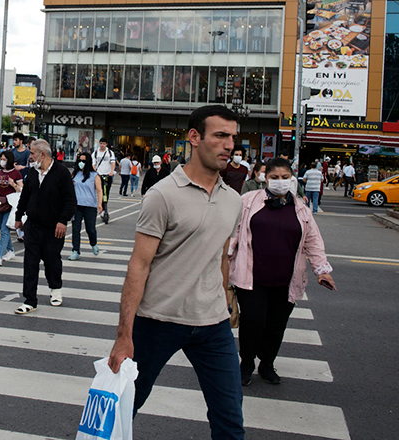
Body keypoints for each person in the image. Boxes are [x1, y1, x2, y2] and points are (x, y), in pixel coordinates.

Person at [108, 105, 244, 438]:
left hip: (212, 324)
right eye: (220, 136)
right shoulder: (162, 195)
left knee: (230, 419)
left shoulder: (233, 200)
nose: (229, 145)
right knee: (121, 409)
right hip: (158, 321)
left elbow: (221, 255)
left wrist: (228, 296)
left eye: (233, 138)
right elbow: (138, 265)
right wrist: (124, 335)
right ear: (194, 138)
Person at [229, 158, 336, 386]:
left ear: (292, 179)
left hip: (286, 280)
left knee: (276, 326)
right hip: (251, 279)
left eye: (285, 178)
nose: (280, 182)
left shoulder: (301, 209)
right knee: (253, 321)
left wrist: (322, 270)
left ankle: (267, 363)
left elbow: (313, 242)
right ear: (264, 178)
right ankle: (246, 363)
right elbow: (232, 237)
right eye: (274, 178)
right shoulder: (247, 202)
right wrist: (221, 270)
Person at [13, 140, 77, 314]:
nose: (30, 156)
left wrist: (63, 221)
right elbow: (25, 196)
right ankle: (30, 300)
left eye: (32, 153)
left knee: (52, 260)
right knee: (30, 262)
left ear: (43, 154)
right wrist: (18, 217)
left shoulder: (62, 173)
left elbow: (71, 201)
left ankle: (55, 289)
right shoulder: (32, 173)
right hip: (32, 225)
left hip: (53, 227)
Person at [68, 152, 103, 261]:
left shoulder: (94, 175)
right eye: (80, 161)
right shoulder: (75, 174)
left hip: (90, 206)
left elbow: (99, 190)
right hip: (76, 206)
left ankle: (93, 243)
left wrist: (100, 204)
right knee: (76, 228)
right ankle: (75, 250)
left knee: (90, 229)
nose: (81, 163)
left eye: (84, 161)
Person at [92, 138, 117, 223]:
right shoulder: (95, 153)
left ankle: (103, 209)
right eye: (101, 143)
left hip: (108, 175)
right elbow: (93, 164)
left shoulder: (110, 153)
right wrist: (95, 170)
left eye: (104, 144)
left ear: (106, 144)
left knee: (107, 193)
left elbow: (113, 162)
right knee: (100, 192)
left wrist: (112, 171)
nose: (102, 145)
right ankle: (102, 210)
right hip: (99, 175)